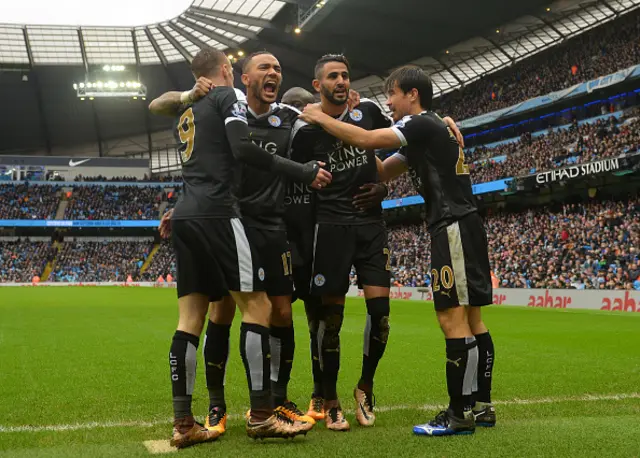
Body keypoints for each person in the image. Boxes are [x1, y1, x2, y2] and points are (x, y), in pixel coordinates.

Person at [299, 64, 495, 437]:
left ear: (412, 95)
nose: (388, 102)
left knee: (452, 320)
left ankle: (459, 414)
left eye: (392, 94)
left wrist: (320, 118)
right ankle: (479, 406)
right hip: (461, 223)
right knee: (472, 321)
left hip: (452, 224)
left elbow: (369, 141)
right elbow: (382, 169)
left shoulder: (419, 124)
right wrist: (349, 134)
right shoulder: (429, 129)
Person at [154, 47, 330, 448]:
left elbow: (159, 105)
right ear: (227, 70)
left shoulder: (187, 109)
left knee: (189, 320)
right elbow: (243, 149)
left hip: (187, 215)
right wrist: (302, 171)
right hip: (220, 213)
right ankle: (263, 415)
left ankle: (184, 423)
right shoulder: (226, 96)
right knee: (258, 307)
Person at [289, 54, 395, 432]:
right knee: (329, 322)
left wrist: (384, 186)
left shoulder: (367, 111)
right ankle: (330, 401)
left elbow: (405, 141)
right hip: (330, 227)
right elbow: (292, 182)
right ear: (318, 85)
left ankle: (365, 387)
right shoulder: (304, 131)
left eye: (345, 75)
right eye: (333, 76)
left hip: (371, 225)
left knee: (380, 315)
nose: (341, 81)